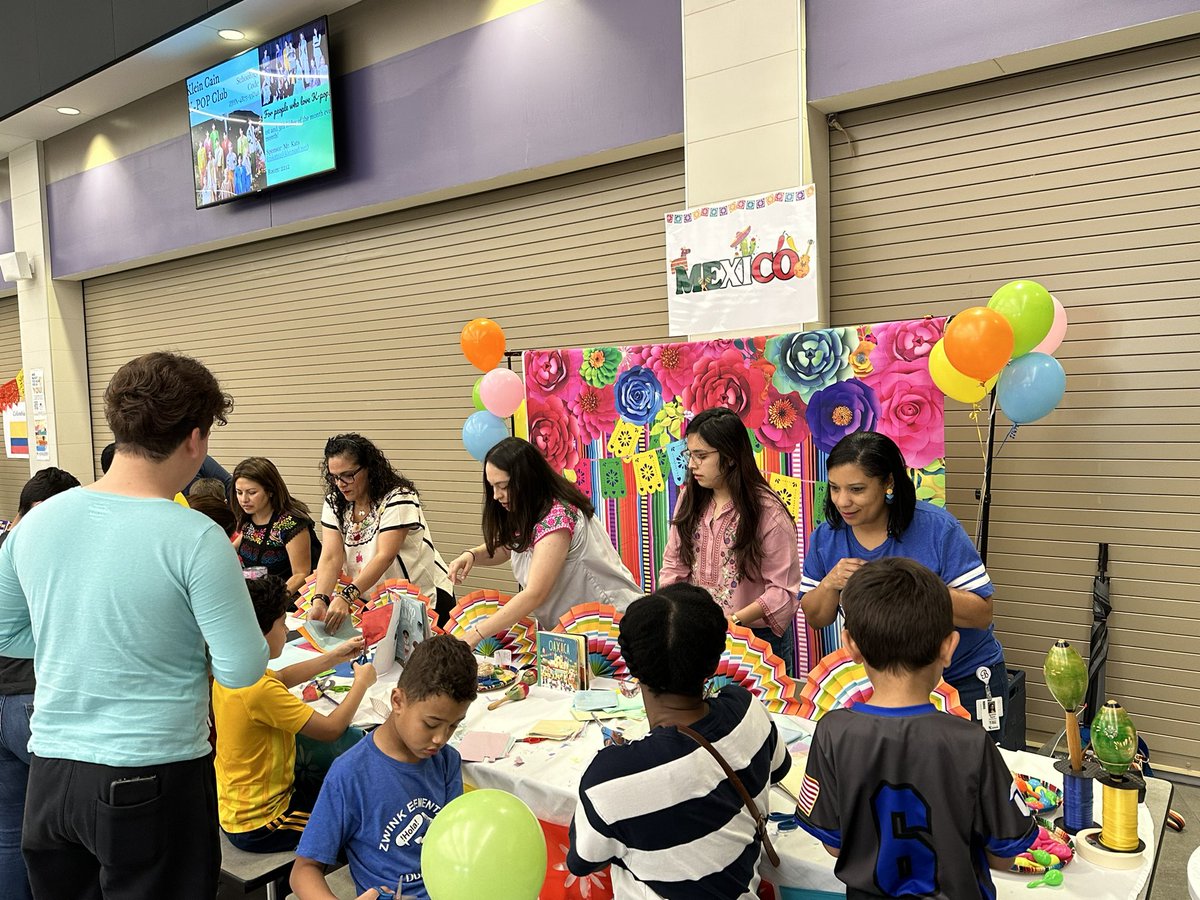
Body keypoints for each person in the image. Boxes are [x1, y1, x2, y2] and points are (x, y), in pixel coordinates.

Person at [0, 352, 268, 897]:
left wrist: (80, 639)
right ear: (195, 438)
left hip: (51, 774)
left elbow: (7, 634)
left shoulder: (36, 522)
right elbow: (241, 669)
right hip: (152, 776)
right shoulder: (194, 537)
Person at [794, 558, 1036, 898]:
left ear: (850, 645)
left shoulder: (832, 732)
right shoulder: (971, 742)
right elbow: (1004, 855)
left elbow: (834, 846)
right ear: (948, 647)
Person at [567, 583, 791, 898]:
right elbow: (779, 769)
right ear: (715, 661)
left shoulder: (609, 777)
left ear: (632, 665)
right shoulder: (747, 709)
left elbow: (582, 859)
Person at [799, 430, 1009, 738]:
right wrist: (831, 583)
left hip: (963, 679)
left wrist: (906, 585)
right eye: (834, 488)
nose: (843, 501)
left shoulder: (937, 528)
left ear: (888, 483)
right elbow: (816, 617)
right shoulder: (826, 538)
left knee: (971, 776)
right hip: (886, 686)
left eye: (857, 489)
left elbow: (981, 613)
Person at [291, 635, 478, 900]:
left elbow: (455, 845)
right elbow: (303, 871)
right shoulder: (350, 774)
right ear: (398, 701)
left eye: (453, 726)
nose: (440, 738)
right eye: (431, 723)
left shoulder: (446, 761)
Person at [214, 575, 375, 854]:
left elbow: (284, 676)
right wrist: (361, 682)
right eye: (282, 623)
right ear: (260, 633)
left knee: (336, 795)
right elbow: (331, 730)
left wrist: (334, 657)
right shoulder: (259, 690)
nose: (287, 628)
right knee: (354, 822)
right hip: (263, 822)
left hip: (236, 805)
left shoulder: (235, 670)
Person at [449, 437, 642, 647]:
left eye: (503, 486)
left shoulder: (557, 516)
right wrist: (473, 555)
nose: (496, 495)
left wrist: (476, 633)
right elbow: (511, 545)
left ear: (527, 480)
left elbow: (535, 593)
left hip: (609, 625)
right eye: (492, 486)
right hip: (577, 628)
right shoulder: (528, 509)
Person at [659, 407, 801, 673]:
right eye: (690, 455)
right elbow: (674, 567)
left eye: (701, 456)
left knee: (760, 713)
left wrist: (731, 621)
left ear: (731, 457)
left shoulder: (768, 512)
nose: (691, 465)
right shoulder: (689, 499)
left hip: (757, 641)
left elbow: (783, 591)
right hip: (700, 635)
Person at [0, 467, 80, 900]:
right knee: (72, 832)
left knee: (10, 834)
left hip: (8, 701)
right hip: (30, 701)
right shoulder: (41, 551)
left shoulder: (7, 542)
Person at [310, 434, 455, 632]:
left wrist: (346, 596)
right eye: (334, 477)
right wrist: (320, 599)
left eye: (348, 475)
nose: (341, 483)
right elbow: (330, 556)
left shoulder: (399, 496)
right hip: (371, 599)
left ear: (369, 468)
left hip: (419, 599)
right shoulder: (335, 502)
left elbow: (385, 555)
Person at [232, 457, 319, 595]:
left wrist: (275, 601)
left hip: (287, 599)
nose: (244, 499)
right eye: (239, 492)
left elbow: (301, 574)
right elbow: (229, 551)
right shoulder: (247, 520)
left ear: (270, 491)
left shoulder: (291, 523)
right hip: (255, 597)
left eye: (252, 492)